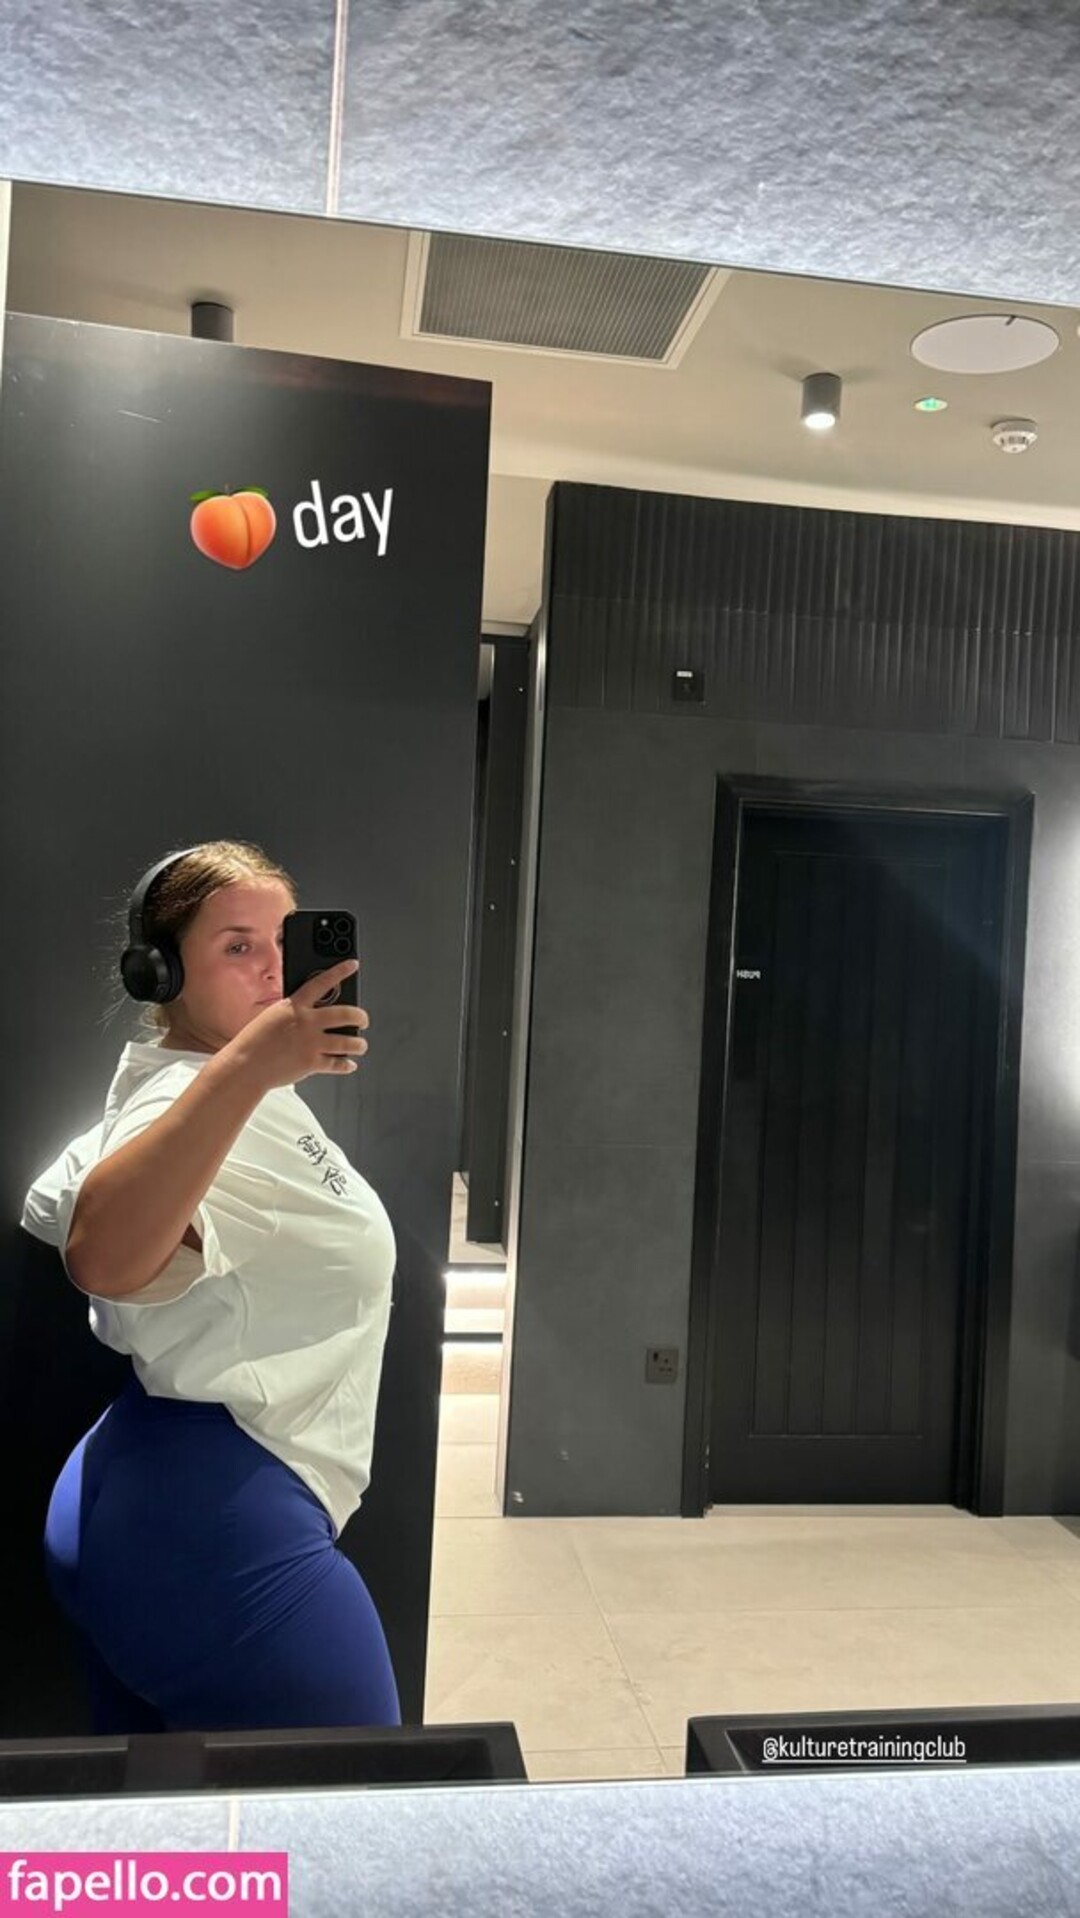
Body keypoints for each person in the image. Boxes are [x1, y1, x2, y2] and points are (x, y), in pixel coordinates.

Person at [20, 840, 401, 1733]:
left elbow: (51, 1195)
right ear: (161, 972)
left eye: (282, 941)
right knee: (358, 1809)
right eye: (237, 946)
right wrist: (251, 1066)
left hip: (153, 1487)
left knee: (172, 1821)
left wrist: (249, 1073)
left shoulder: (194, 1090)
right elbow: (100, 1254)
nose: (271, 969)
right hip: (219, 1532)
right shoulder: (201, 1091)